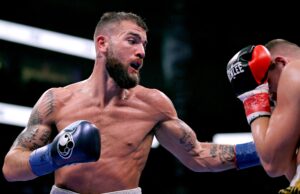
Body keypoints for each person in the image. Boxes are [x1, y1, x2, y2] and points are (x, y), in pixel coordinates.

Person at [3, 11, 261, 194]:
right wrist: (53, 155)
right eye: (132, 40)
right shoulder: (56, 100)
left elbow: (199, 156)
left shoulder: (152, 104)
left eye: (145, 44)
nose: (142, 51)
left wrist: (270, 146)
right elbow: (11, 167)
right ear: (102, 44)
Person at [226, 39, 300, 193]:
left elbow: (273, 164)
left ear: (280, 63)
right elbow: (291, 171)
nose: (272, 98)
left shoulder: (294, 69)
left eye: (269, 88)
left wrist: (253, 97)